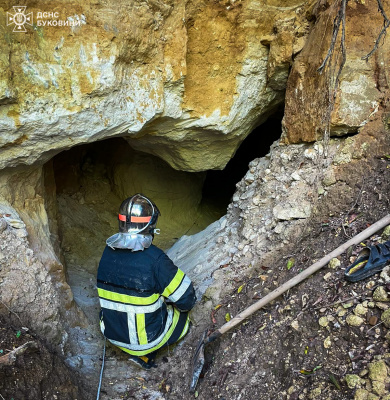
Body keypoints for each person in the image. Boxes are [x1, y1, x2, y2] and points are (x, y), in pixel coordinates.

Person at [96, 193, 196, 370]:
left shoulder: (106, 252)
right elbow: (187, 299)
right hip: (145, 341)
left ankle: (136, 350)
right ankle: (145, 354)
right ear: (150, 225)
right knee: (182, 318)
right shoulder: (156, 259)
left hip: (111, 334)